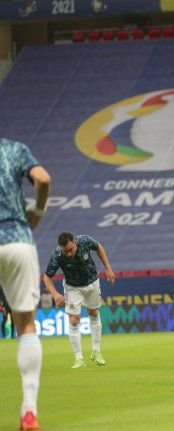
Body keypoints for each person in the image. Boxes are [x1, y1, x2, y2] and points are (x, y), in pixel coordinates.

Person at [0, 137, 50, 430]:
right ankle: (28, 411)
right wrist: (38, 212)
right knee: (26, 326)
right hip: (16, 240)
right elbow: (42, 179)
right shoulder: (12, 149)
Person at [42, 232, 115, 369]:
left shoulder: (85, 241)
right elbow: (47, 277)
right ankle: (78, 358)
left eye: (70, 250)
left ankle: (96, 351)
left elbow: (98, 246)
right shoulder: (58, 254)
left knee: (93, 312)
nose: (68, 254)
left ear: (75, 242)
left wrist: (108, 268)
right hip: (72, 287)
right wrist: (55, 294)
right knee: (74, 319)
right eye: (65, 251)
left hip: (92, 282)